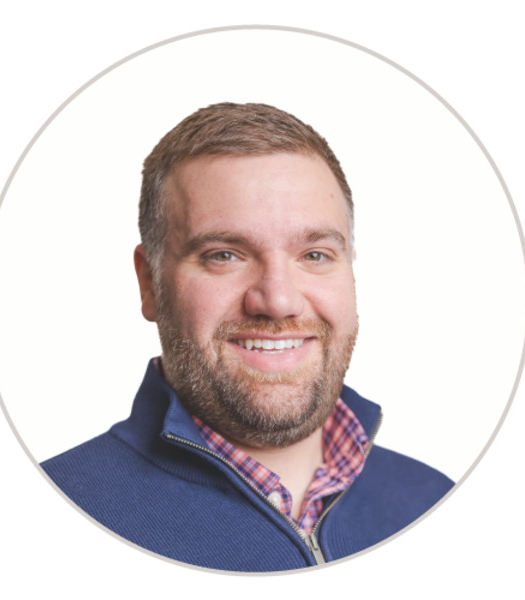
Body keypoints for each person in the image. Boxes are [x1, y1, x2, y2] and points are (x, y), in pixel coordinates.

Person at [41, 102, 454, 571]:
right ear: (149, 282)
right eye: (224, 255)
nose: (277, 301)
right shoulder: (70, 498)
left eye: (315, 255)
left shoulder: (431, 499)